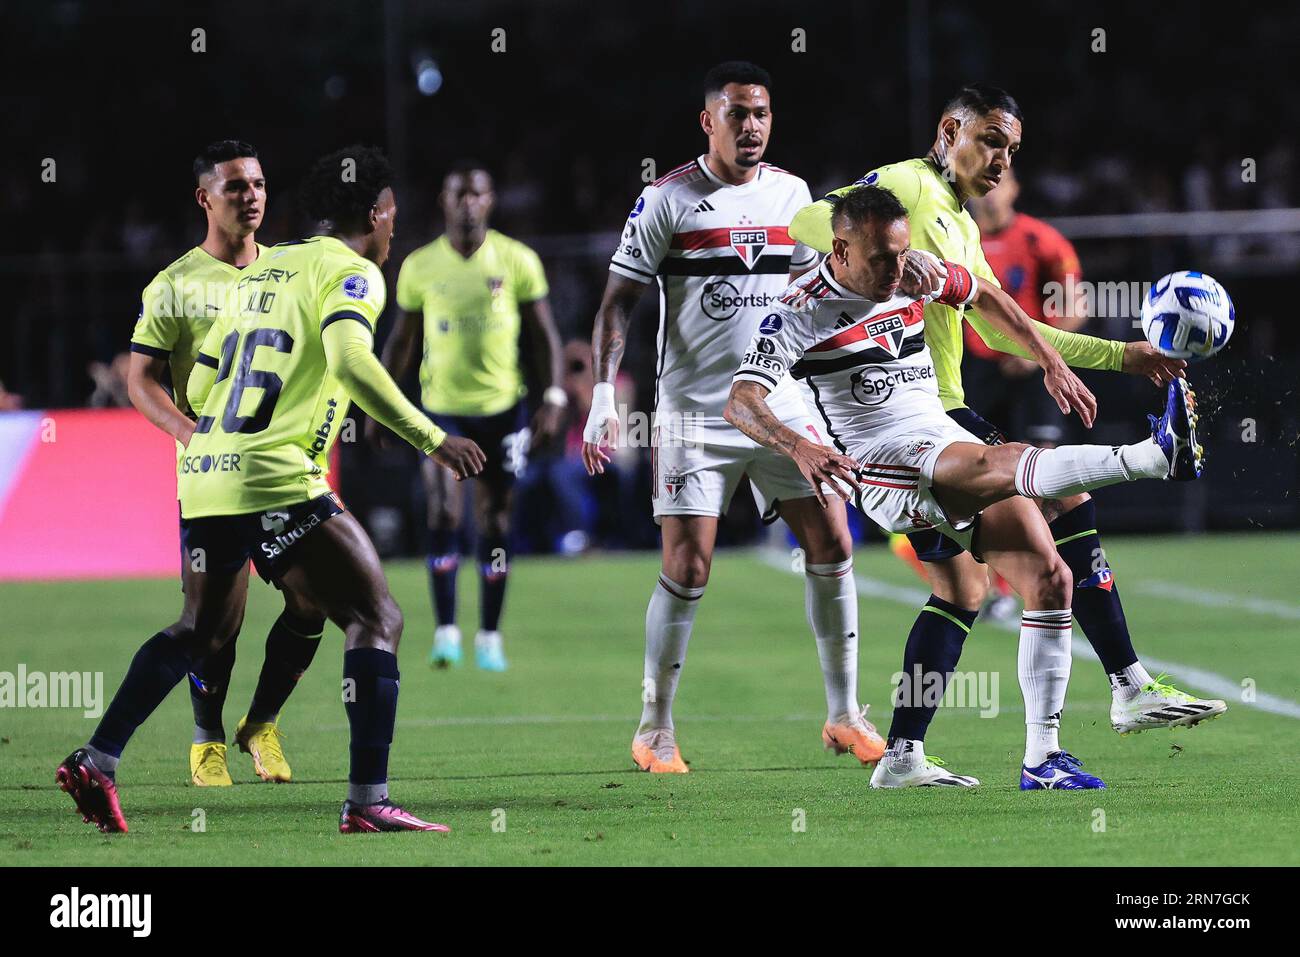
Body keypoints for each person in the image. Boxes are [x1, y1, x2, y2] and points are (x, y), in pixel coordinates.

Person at [56, 145, 486, 834]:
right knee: (377, 618)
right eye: (394, 218)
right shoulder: (350, 272)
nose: (395, 232)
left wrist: (216, 433)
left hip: (206, 473)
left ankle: (99, 758)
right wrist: (432, 438)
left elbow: (201, 382)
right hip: (273, 473)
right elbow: (351, 360)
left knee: (202, 628)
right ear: (376, 215)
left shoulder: (273, 265)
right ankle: (367, 799)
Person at [788, 85, 1226, 749]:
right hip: (913, 423)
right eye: (990, 140)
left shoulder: (962, 224)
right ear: (949, 131)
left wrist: (1116, 356)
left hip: (932, 416)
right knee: (1061, 505)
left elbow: (1001, 327)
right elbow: (808, 223)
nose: (1000, 159)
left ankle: (905, 752)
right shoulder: (908, 184)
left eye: (1011, 149)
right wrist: (895, 259)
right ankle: (1119, 688)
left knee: (963, 592)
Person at [728, 186, 1203, 788]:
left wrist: (1049, 357)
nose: (896, 270)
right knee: (1000, 466)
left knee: (1045, 579)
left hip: (938, 438)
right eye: (880, 259)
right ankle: (1150, 457)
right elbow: (740, 399)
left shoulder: (911, 270)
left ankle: (1021, 758)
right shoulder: (800, 312)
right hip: (883, 466)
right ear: (840, 248)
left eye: (902, 255)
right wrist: (797, 445)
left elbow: (984, 296)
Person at [582, 61, 888, 774]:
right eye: (737, 113)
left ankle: (843, 714)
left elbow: (819, 297)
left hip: (779, 399)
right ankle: (654, 728)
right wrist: (603, 396)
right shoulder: (666, 199)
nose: (751, 126)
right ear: (707, 121)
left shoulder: (795, 195)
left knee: (834, 541)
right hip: (693, 411)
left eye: (762, 114)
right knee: (688, 566)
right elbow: (616, 305)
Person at [124, 140, 323, 787]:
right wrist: (189, 433)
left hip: (284, 479)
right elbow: (140, 378)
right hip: (216, 483)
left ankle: (261, 722)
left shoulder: (291, 270)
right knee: (217, 625)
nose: (252, 196)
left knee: (312, 598)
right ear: (203, 197)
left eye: (259, 183)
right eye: (235, 186)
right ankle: (206, 737)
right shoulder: (177, 286)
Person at [370, 163, 564, 672]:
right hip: (441, 410)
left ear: (491, 200)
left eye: (477, 194)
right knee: (443, 512)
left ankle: (491, 635)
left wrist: (555, 397)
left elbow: (544, 336)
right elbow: (402, 342)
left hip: (503, 410)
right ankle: (447, 630)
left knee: (495, 519)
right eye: (459, 194)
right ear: (444, 201)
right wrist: (378, 406)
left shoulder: (517, 260)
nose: (468, 203)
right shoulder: (419, 265)